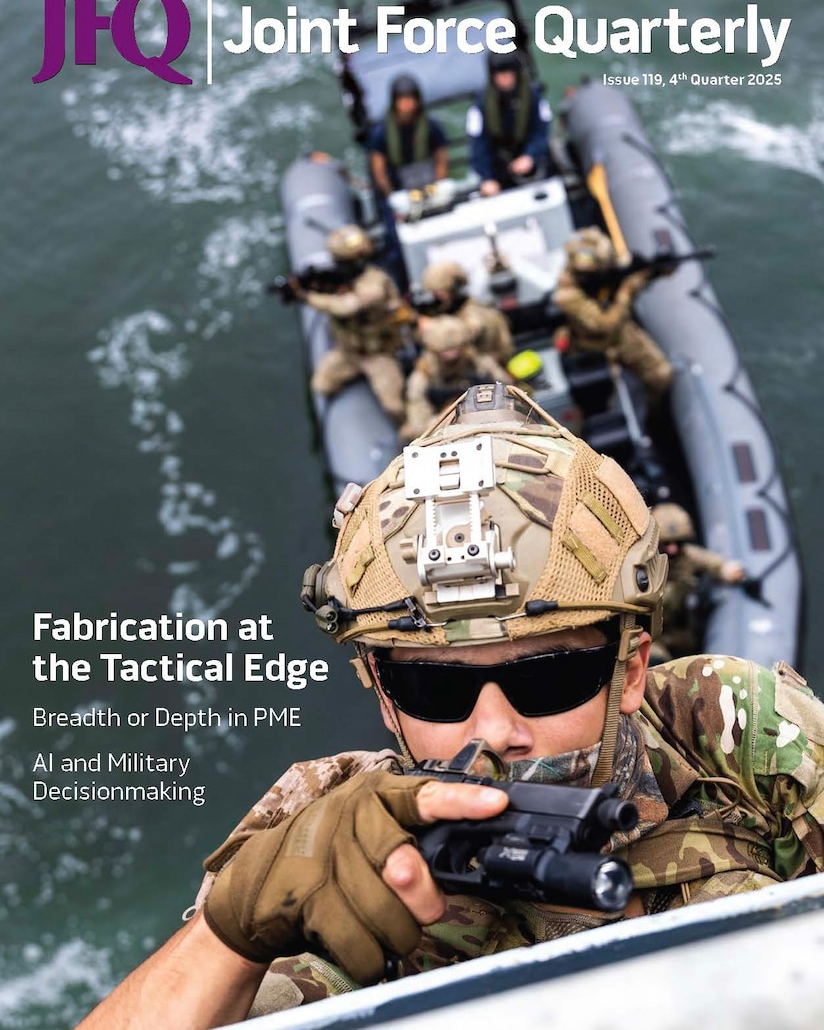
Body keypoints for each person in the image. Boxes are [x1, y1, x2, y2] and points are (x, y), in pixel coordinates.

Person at [77, 384, 824, 1029]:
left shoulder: (729, 729)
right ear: (382, 693)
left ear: (630, 671)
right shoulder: (322, 833)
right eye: (436, 688)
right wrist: (231, 935)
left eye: (547, 677)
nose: (495, 730)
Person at [298, 224, 409, 423]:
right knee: (321, 385)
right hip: (348, 351)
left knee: (394, 406)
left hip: (378, 353)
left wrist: (308, 297)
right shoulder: (342, 280)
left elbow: (346, 306)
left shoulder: (374, 284)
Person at [553, 227, 674, 399]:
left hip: (621, 333)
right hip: (590, 344)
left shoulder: (605, 264)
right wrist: (626, 292)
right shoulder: (567, 294)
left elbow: (625, 270)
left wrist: (653, 271)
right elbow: (604, 324)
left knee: (661, 375)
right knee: (601, 396)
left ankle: (655, 415)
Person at [651, 502, 747, 660]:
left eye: (678, 543)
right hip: (654, 634)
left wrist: (730, 572)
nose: (673, 549)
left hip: (680, 629)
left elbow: (711, 563)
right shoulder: (646, 565)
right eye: (667, 543)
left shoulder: (686, 557)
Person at [400, 316, 511, 441]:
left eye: (456, 351)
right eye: (445, 353)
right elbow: (419, 421)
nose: (452, 359)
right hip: (445, 427)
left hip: (485, 415)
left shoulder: (477, 362)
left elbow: (506, 387)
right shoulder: (424, 374)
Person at [467, 50, 553, 196]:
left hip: (533, 163)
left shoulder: (533, 96)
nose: (505, 78)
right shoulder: (480, 106)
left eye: (509, 73)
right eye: (500, 74)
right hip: (500, 171)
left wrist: (530, 156)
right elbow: (478, 145)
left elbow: (542, 131)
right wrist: (487, 178)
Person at [421, 260, 514, 365]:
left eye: (439, 293)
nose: (435, 297)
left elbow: (465, 333)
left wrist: (432, 327)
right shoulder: (451, 309)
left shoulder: (473, 312)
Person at [369, 75, 449, 196]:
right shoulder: (381, 133)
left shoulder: (430, 126)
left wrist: (437, 187)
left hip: (428, 183)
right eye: (402, 99)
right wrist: (391, 195)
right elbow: (379, 171)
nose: (407, 104)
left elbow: (441, 160)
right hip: (399, 189)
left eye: (410, 99)